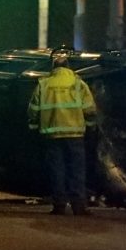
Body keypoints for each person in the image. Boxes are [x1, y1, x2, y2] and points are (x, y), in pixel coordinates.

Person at [28, 56, 97, 215]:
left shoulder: (44, 84)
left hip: (52, 135)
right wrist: (91, 126)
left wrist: (33, 126)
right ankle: (78, 207)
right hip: (75, 134)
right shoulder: (77, 83)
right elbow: (90, 109)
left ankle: (59, 206)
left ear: (53, 68)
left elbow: (33, 110)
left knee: (57, 170)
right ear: (68, 67)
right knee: (77, 170)